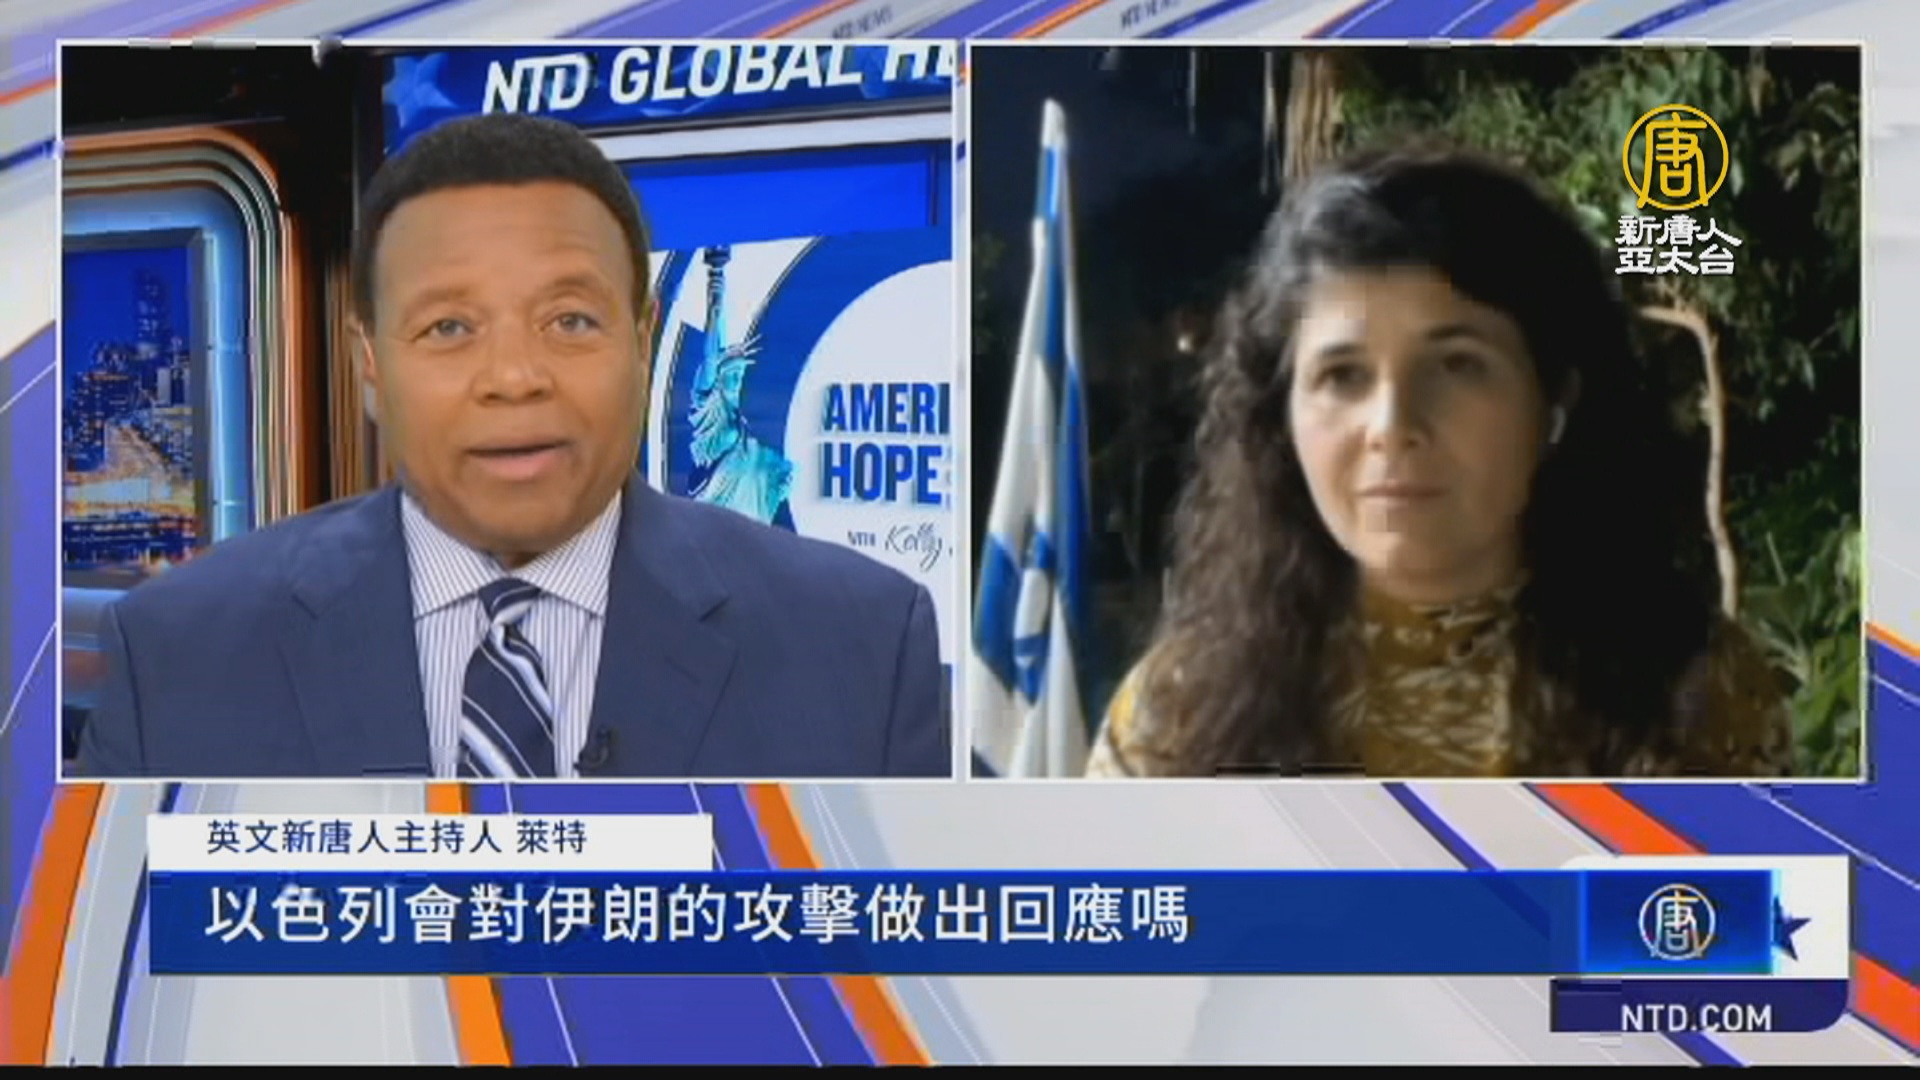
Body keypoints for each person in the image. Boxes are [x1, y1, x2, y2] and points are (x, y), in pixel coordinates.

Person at [75, 113, 950, 780]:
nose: (514, 377)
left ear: (642, 340)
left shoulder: (862, 645)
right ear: (370, 365)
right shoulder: (176, 655)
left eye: (570, 320)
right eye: (449, 327)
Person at [1088, 146, 1794, 780]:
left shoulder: (1698, 696)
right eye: (1343, 375)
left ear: (1554, 402)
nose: (1392, 427)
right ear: (1282, 417)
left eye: (1457, 365)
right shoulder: (1177, 718)